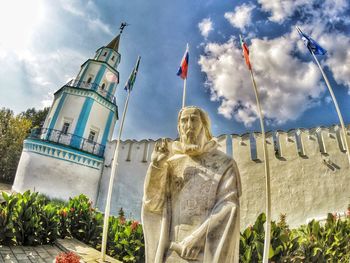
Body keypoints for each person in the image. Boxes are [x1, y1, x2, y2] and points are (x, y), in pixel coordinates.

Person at [142, 106, 242, 263]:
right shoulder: (170, 163)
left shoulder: (225, 164)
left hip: (204, 254)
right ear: (179, 127)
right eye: (184, 121)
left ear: (204, 126)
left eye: (194, 119)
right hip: (172, 252)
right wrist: (156, 167)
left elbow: (229, 206)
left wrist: (197, 238)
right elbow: (153, 205)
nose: (188, 125)